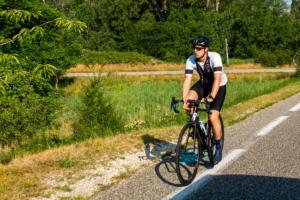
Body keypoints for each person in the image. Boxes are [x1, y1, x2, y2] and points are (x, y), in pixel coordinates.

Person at [182, 36, 227, 165]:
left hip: (218, 86)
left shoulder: (215, 57)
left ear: (206, 49)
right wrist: (185, 99)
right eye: (194, 48)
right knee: (188, 104)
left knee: (213, 117)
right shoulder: (191, 60)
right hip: (203, 84)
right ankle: (200, 132)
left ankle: (218, 148)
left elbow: (217, 79)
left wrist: (211, 97)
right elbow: (187, 80)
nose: (195, 51)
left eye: (198, 48)